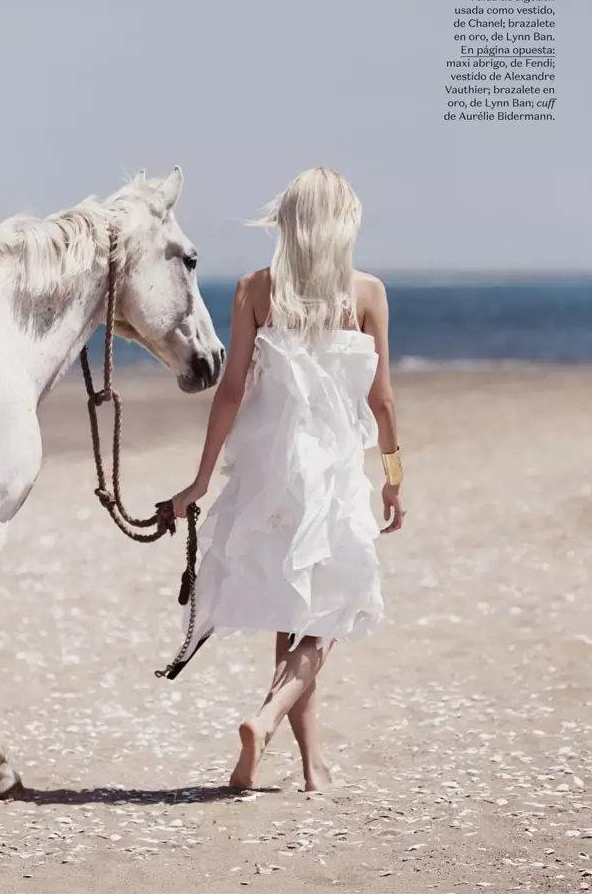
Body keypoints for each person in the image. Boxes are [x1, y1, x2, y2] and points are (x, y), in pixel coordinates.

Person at [168, 167, 405, 792]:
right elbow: (381, 402)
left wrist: (198, 481)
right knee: (337, 608)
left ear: (289, 224)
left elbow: (231, 391)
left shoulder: (253, 289)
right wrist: (393, 477)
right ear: (342, 225)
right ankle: (266, 717)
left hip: (270, 472)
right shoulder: (368, 293)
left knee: (290, 610)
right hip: (328, 472)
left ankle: (311, 765)